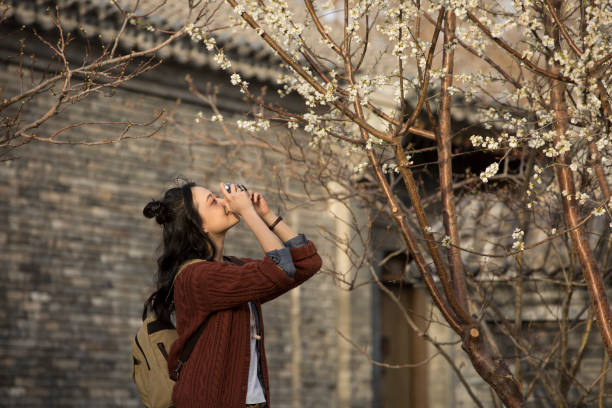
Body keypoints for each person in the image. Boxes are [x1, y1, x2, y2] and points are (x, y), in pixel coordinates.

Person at [142, 180, 322, 408]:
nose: (223, 202)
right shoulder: (197, 277)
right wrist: (248, 213)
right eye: (212, 202)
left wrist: (265, 215)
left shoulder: (233, 269)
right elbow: (280, 269)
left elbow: (307, 263)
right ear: (199, 226)